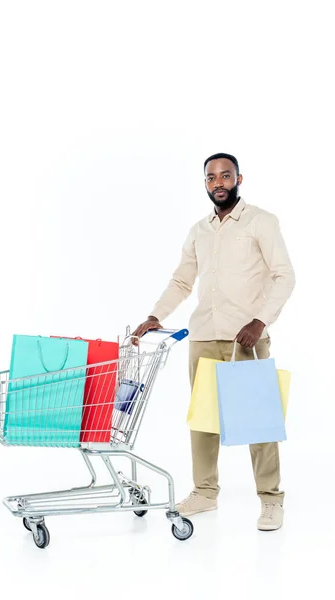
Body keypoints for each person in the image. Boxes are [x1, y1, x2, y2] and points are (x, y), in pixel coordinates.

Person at [132, 152, 295, 531]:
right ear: (205, 184)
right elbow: (181, 281)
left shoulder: (261, 222)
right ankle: (204, 492)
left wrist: (260, 320)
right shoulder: (198, 231)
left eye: (225, 176)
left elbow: (284, 276)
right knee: (203, 421)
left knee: (259, 421)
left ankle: (271, 500)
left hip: (247, 340)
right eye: (210, 178)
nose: (218, 183)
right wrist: (156, 315)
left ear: (239, 179)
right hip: (203, 336)